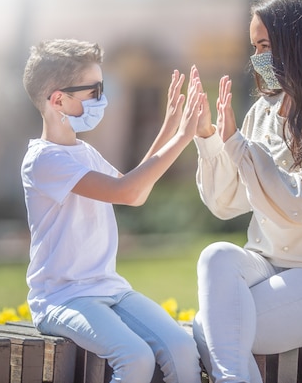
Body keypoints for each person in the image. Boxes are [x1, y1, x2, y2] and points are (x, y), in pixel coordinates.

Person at [190, 0, 302, 383]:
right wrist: (209, 139)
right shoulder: (262, 112)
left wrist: (241, 146)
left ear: (298, 44)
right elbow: (226, 202)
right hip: (266, 265)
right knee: (216, 255)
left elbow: (300, 206)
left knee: (211, 329)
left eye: (266, 45)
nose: (258, 58)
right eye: (254, 47)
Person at [21, 39, 204, 383]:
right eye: (95, 89)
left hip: (110, 289)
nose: (103, 98)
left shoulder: (84, 152)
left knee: (181, 347)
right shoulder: (44, 160)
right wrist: (182, 137)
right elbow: (128, 192)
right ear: (58, 99)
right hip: (63, 299)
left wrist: (171, 127)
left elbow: (134, 188)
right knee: (134, 359)